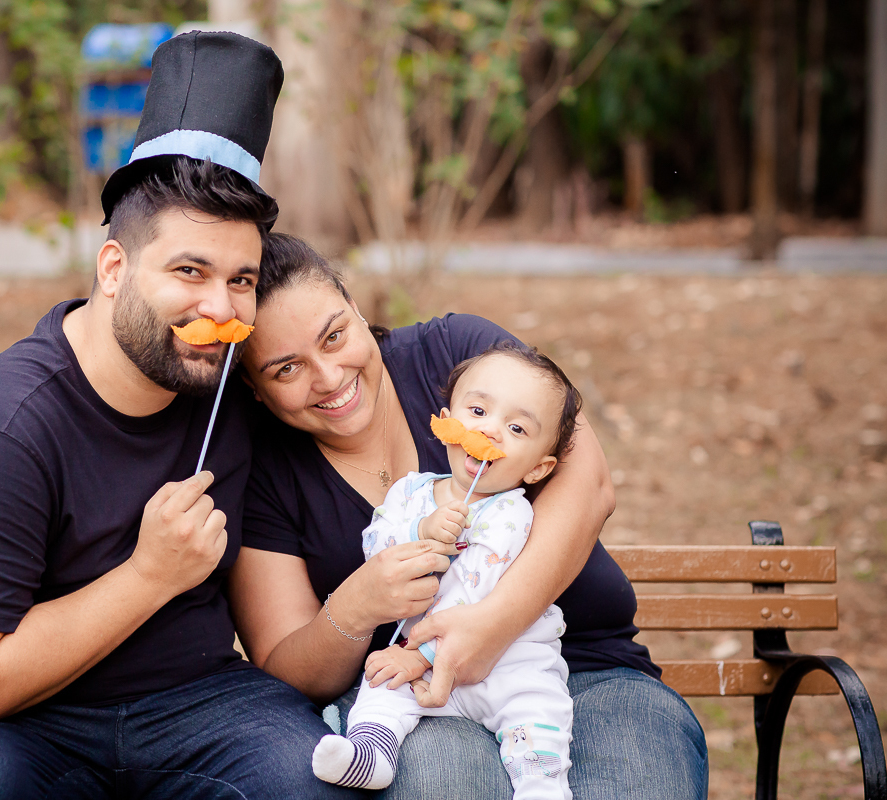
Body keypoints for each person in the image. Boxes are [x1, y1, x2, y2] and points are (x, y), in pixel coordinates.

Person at [0, 34, 359, 800]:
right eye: (188, 271)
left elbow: (375, 367)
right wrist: (148, 575)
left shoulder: (238, 379)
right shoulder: (0, 429)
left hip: (200, 704)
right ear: (114, 269)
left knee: (309, 782)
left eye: (240, 280)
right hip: (19, 725)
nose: (220, 306)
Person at [231, 233, 709, 799]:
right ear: (254, 389)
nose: (330, 376)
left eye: (335, 336)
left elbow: (590, 482)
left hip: (590, 672)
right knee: (442, 784)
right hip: (420, 701)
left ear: (357, 310)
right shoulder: (263, 468)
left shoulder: (458, 358)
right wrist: (356, 607)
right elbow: (286, 665)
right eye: (287, 369)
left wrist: (492, 625)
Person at [313, 340, 581, 798]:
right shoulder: (410, 492)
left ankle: (540, 784)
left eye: (516, 428)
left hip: (506, 662)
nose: (491, 431)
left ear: (539, 468)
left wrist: (420, 655)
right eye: (477, 412)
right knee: (381, 689)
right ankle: (371, 753)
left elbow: (474, 595)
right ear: (447, 419)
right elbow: (375, 550)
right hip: (420, 664)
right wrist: (421, 530)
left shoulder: (511, 514)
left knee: (537, 712)